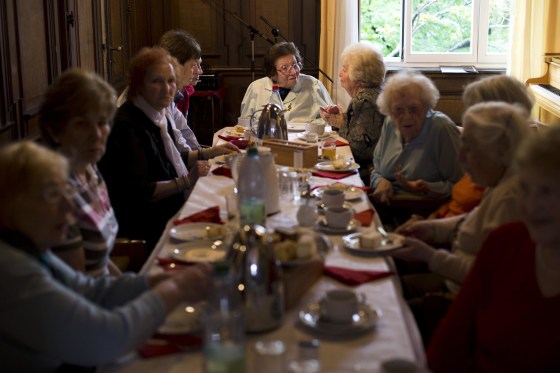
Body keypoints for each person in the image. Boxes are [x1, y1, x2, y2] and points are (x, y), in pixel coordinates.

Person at [0, 141, 212, 371]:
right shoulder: (11, 270)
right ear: (9, 204)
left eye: (67, 193)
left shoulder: (27, 245)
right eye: (52, 195)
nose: (69, 208)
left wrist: (155, 281)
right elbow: (104, 338)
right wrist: (175, 290)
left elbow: (90, 291)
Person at [427, 125, 560, 372]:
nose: (531, 206)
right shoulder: (505, 242)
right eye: (525, 189)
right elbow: (453, 335)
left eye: (547, 191)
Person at [392, 102, 530, 294]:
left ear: (500, 152)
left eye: (470, 149)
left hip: (462, 298)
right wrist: (430, 228)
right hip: (454, 281)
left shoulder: (510, 199)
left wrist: (429, 256)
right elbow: (473, 220)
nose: (462, 158)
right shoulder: (499, 180)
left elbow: (489, 276)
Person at [98, 47, 209, 250]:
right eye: (156, 81)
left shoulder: (155, 115)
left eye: (171, 81)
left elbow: (166, 164)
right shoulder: (128, 126)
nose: (167, 88)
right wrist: (187, 180)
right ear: (138, 85)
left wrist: (208, 154)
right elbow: (141, 192)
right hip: (148, 230)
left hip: (169, 214)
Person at [404, 74, 535, 223]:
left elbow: (474, 228)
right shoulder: (484, 154)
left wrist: (432, 227)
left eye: (476, 112)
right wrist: (431, 221)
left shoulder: (503, 175)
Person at [38, 68, 121, 276]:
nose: (96, 134)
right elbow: (81, 289)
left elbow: (101, 262)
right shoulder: (55, 192)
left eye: (102, 123)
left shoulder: (90, 168)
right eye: (82, 124)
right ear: (54, 130)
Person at [370, 70, 463, 210]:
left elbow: (462, 185)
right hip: (386, 207)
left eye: (414, 109)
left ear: (426, 107)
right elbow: (376, 170)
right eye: (398, 110)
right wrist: (380, 182)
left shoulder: (441, 128)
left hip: (427, 213)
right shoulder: (389, 124)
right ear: (389, 110)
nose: (407, 116)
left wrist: (428, 188)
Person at [320, 42, 386, 183]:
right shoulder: (376, 93)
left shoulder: (365, 101)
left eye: (344, 69)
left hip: (371, 172)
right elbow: (363, 135)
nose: (340, 74)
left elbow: (357, 151)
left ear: (358, 76)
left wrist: (340, 123)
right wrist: (343, 119)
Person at [239, 41, 333, 122]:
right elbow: (245, 124)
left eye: (295, 65)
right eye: (285, 68)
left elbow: (330, 119)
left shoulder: (313, 85)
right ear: (273, 72)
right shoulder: (256, 88)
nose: (293, 72)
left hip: (303, 141)